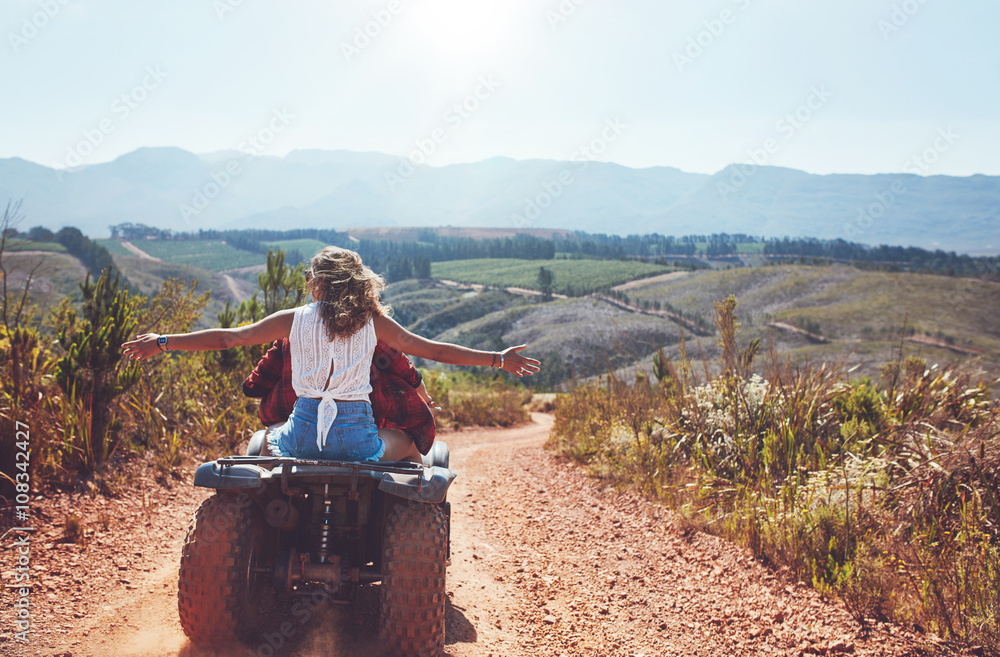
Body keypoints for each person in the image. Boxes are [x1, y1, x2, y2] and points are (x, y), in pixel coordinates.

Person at [122, 246, 540, 463]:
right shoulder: (375, 323)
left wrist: (162, 341)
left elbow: (228, 339)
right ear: (359, 284)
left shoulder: (293, 319)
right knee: (415, 448)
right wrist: (498, 359)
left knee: (260, 447)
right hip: (355, 440)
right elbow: (431, 350)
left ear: (315, 282)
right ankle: (418, 531)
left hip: (300, 435)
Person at [243, 337, 438, 461]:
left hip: (298, 440)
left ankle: (264, 502)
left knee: (269, 440)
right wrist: (426, 402)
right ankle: (415, 507)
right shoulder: (371, 333)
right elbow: (409, 375)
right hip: (357, 444)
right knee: (411, 447)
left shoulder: (292, 334)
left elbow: (253, 387)